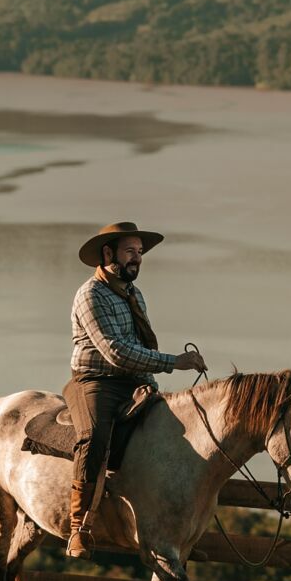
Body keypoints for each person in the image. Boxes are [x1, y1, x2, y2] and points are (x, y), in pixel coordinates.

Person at [65, 221, 206, 559]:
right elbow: (114, 351)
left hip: (132, 382)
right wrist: (174, 362)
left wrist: (156, 387)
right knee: (95, 436)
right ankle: (78, 527)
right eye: (130, 251)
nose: (137, 259)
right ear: (108, 253)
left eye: (140, 253)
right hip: (96, 381)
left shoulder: (133, 294)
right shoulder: (90, 294)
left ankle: (176, 528)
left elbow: (138, 346)